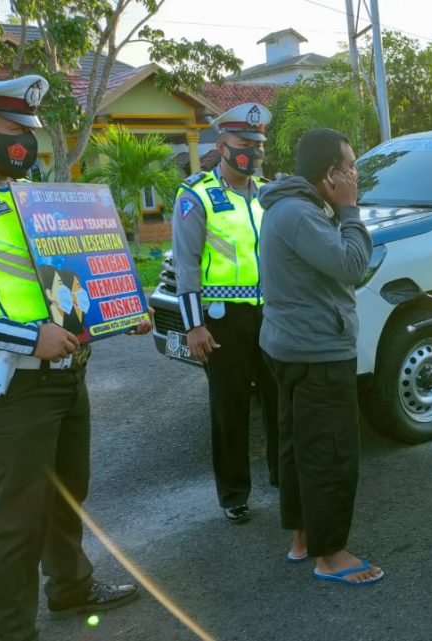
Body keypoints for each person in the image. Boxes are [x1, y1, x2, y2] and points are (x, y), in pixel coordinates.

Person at [0, 75, 145, 641]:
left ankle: (70, 588)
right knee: (14, 521)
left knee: (67, 496)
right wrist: (26, 338)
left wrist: (114, 308)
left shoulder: (29, 194)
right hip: (6, 387)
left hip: (64, 377)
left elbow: (60, 278)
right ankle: (14, 633)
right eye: (14, 132)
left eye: (29, 132)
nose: (26, 144)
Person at [257, 128, 383, 586]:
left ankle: (304, 538)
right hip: (317, 351)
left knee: (298, 448)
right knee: (329, 452)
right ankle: (331, 556)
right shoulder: (301, 214)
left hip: (292, 346)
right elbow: (352, 265)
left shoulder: (289, 208)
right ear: (330, 175)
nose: (354, 175)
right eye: (349, 168)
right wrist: (350, 212)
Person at [172, 102, 280, 523]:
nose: (252, 152)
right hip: (221, 320)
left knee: (278, 400)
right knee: (229, 408)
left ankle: (282, 476)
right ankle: (234, 495)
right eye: (243, 144)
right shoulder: (197, 194)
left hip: (269, 315)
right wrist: (193, 324)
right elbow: (186, 264)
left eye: (257, 144)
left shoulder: (268, 192)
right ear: (221, 146)